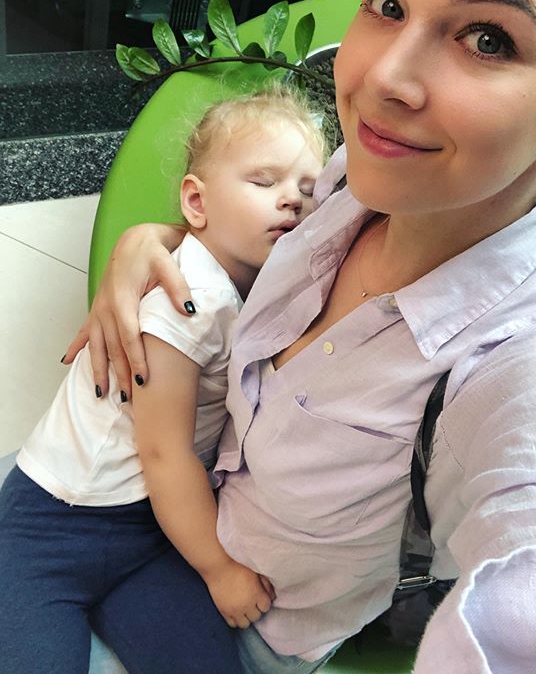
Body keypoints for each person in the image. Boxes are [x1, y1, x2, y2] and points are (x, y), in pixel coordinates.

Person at [23, 0, 536, 672]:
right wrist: (155, 242)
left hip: (235, 627)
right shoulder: (353, 180)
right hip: (140, 522)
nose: (384, 80)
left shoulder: (534, 366)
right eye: (386, 2)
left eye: (488, 38)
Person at [0, 88, 325, 674]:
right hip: (54, 525)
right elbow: (163, 450)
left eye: (309, 190)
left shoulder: (257, 283)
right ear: (196, 201)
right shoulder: (188, 298)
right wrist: (219, 570)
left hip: (152, 530)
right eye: (264, 181)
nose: (291, 201)